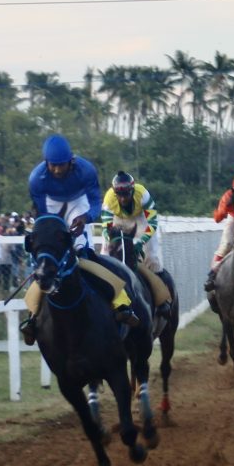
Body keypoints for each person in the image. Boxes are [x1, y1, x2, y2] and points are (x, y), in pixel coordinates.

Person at [20, 134, 140, 344]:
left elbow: (95, 202)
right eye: (53, 165)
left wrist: (86, 217)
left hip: (79, 203)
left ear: (71, 161)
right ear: (46, 162)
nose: (57, 170)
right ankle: (32, 318)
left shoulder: (86, 170)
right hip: (50, 206)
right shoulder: (36, 179)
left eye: (62, 165)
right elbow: (42, 215)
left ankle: (121, 303)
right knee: (45, 260)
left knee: (83, 253)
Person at [100, 170, 172, 317]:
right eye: (119, 195)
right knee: (104, 255)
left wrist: (140, 243)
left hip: (140, 219)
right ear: (114, 193)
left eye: (126, 194)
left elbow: (152, 223)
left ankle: (162, 299)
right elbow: (106, 229)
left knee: (151, 256)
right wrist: (114, 241)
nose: (123, 198)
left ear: (132, 190)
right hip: (118, 220)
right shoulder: (109, 199)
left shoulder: (143, 194)